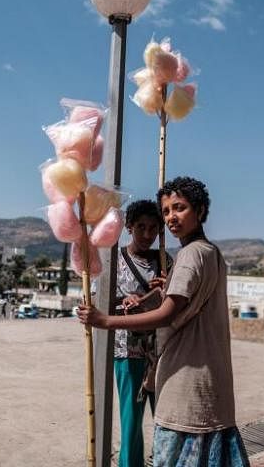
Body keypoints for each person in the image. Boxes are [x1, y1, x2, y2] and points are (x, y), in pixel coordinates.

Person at [79, 177, 250, 467]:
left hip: (184, 382)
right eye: (167, 210)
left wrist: (105, 321)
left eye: (179, 208)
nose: (171, 217)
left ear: (200, 209)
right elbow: (188, 302)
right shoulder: (212, 252)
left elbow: (170, 312)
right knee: (133, 424)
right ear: (129, 228)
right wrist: (161, 288)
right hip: (185, 375)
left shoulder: (185, 255)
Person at [112, 199, 171, 467]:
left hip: (162, 352)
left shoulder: (165, 261)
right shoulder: (115, 260)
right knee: (131, 423)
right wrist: (124, 303)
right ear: (128, 227)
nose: (147, 235)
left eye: (153, 228)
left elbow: (177, 302)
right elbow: (100, 301)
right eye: (141, 227)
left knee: (166, 419)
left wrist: (165, 286)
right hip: (128, 350)